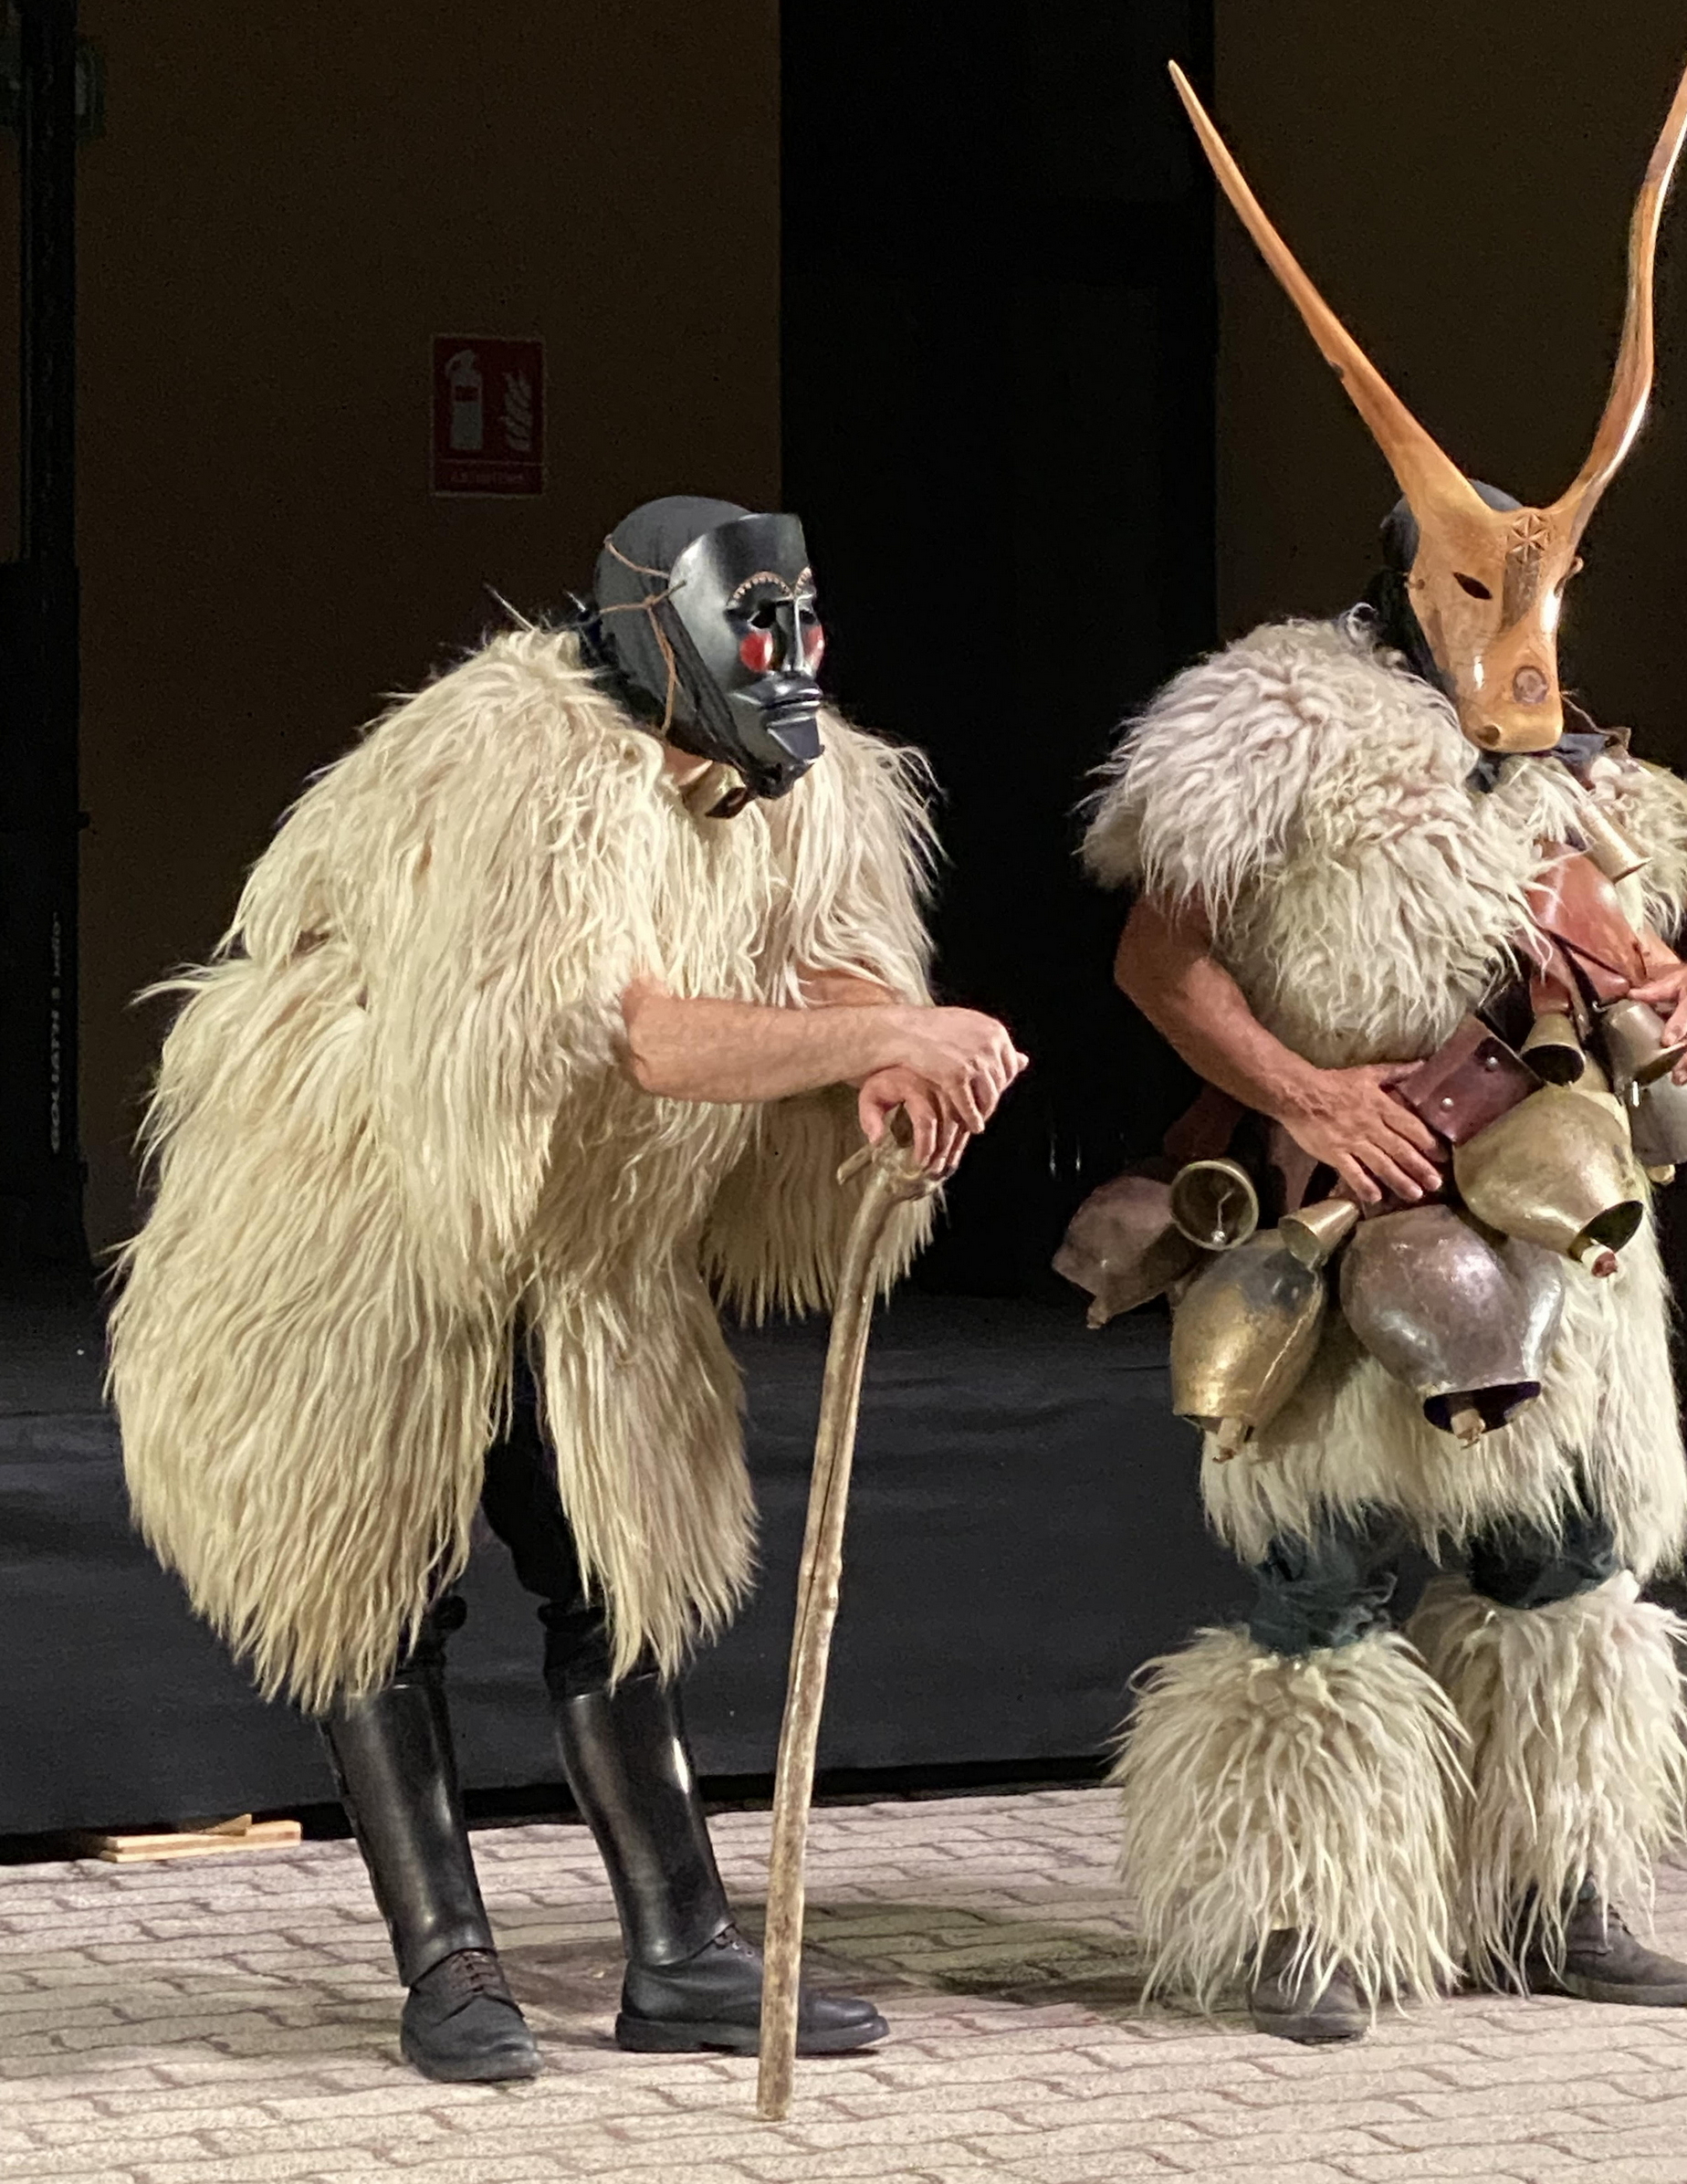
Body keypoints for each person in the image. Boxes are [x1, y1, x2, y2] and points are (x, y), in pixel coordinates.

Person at [109, 495, 1023, 2084]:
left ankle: (681, 1953)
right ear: (656, 634)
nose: (787, 661)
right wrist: (869, 1040)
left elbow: (820, 971)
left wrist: (874, 1073)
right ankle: (449, 1966)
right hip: (370, 1207)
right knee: (375, 1582)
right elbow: (611, 1028)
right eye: (756, 632)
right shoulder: (514, 765)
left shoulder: (820, 788)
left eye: (799, 631)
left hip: (592, 1236)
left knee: (616, 1575)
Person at [1067, 22, 1687, 2042]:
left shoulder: (1586, 773)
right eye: (1483, 579)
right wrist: (1303, 1092)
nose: (1521, 615)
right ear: (1412, 578)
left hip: (1569, 1242)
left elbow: (1674, 953)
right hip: (1349, 1219)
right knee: (1324, 1590)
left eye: (1548, 577)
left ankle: (1552, 1897)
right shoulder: (1274, 718)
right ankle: (1294, 1925)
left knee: (1564, 1570)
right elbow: (1154, 960)